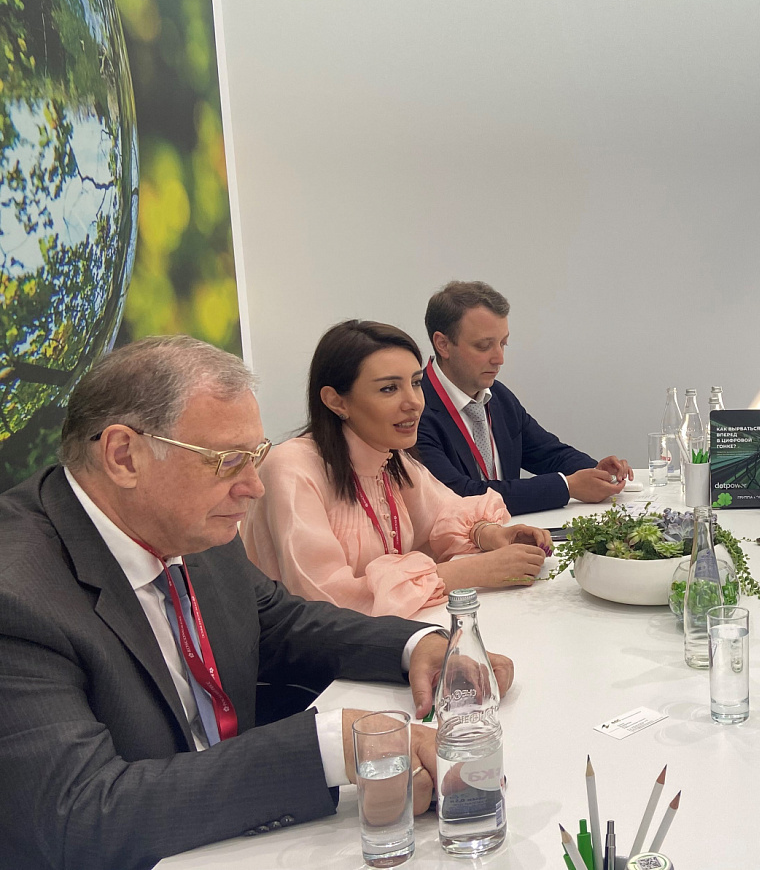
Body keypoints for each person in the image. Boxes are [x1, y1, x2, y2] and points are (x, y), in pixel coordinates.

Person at [0, 336, 513, 870]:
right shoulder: (17, 596)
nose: (254, 487)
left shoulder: (188, 523)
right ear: (123, 456)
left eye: (256, 457)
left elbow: (280, 622)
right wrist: (331, 745)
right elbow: (78, 817)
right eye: (227, 461)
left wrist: (416, 645)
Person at [242, 320, 553, 618]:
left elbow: (444, 514)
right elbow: (324, 601)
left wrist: (492, 535)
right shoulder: (291, 468)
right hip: (314, 654)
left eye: (416, 383)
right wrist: (463, 573)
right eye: (389, 389)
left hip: (386, 635)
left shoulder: (390, 457)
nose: (413, 402)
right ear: (336, 401)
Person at [415, 281, 632, 514]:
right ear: (443, 345)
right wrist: (567, 487)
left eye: (503, 343)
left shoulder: (499, 397)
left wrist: (595, 470)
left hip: (512, 530)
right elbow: (460, 494)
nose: (499, 359)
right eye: (484, 346)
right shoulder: (415, 409)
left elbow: (548, 453)